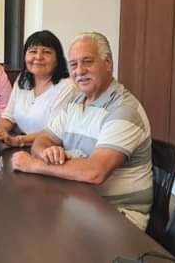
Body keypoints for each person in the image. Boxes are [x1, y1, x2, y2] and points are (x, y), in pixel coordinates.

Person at [11, 32, 153, 230]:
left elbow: (95, 172)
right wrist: (47, 152)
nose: (79, 71)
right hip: (78, 198)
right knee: (20, 218)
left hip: (118, 216)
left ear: (108, 63)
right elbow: (42, 139)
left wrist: (34, 164)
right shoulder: (77, 101)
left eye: (87, 62)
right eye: (74, 64)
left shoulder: (124, 110)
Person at [0, 30, 75, 147]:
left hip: (48, 148)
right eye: (33, 51)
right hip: (17, 144)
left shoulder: (68, 87)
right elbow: (9, 116)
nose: (38, 57)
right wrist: (1, 131)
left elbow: (54, 132)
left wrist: (19, 140)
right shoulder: (23, 80)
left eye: (46, 52)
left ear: (57, 60)